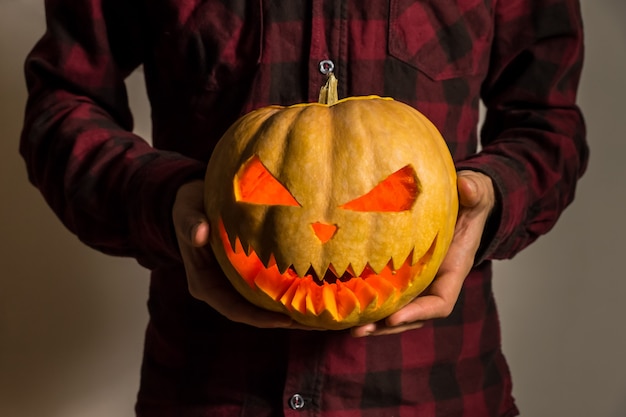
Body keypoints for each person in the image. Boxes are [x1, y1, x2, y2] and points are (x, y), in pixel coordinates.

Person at [20, 1, 588, 416]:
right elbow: (62, 105)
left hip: (437, 395)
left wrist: (489, 200)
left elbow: (550, 125)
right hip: (206, 391)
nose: (323, 228)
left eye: (381, 195)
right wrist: (164, 199)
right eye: (270, 189)